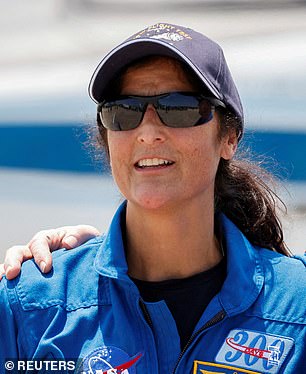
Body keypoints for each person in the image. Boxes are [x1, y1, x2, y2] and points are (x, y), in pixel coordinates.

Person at [1, 22, 305, 374]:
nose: (147, 132)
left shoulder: (297, 303)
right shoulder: (31, 305)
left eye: (178, 107)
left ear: (229, 137)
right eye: (124, 111)